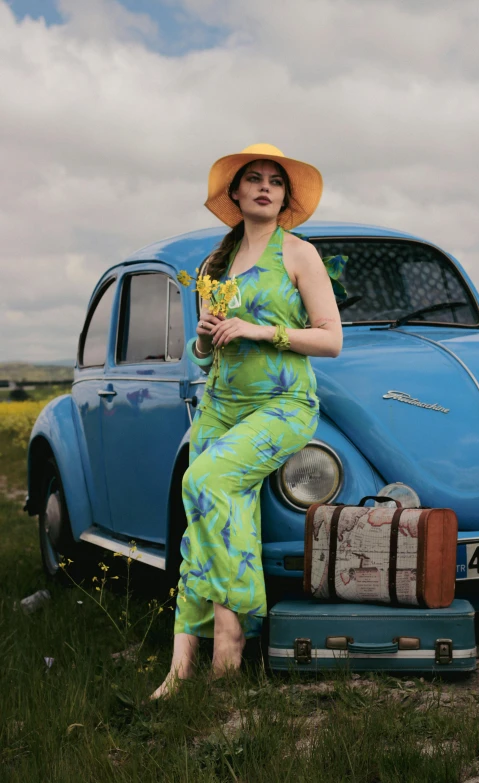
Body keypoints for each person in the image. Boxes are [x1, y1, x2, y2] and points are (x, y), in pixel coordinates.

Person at [151, 143, 342, 699]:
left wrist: (264, 331)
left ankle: (231, 643)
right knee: (204, 516)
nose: (264, 187)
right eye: (252, 179)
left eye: (275, 182)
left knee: (203, 481)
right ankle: (182, 664)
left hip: (282, 404)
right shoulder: (214, 266)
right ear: (234, 194)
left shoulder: (299, 254)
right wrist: (206, 338)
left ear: (284, 197)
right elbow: (204, 354)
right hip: (220, 403)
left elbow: (331, 339)